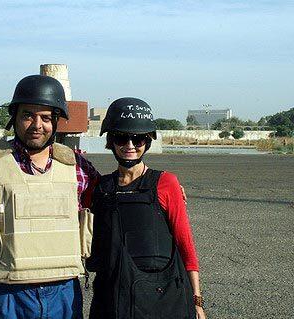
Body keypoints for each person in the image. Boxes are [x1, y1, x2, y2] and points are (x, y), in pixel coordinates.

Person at [0, 74, 99, 319]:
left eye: (46, 117)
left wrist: (157, 188)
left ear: (56, 122)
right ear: (14, 118)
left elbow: (111, 201)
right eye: (28, 115)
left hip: (64, 293)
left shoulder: (76, 166)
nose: (37, 125)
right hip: (4, 293)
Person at [86, 97, 206, 319]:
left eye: (138, 139)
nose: (130, 146)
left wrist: (197, 301)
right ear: (111, 141)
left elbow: (185, 243)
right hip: (111, 299)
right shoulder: (99, 187)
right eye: (122, 138)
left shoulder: (166, 183)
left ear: (147, 141)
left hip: (160, 298)